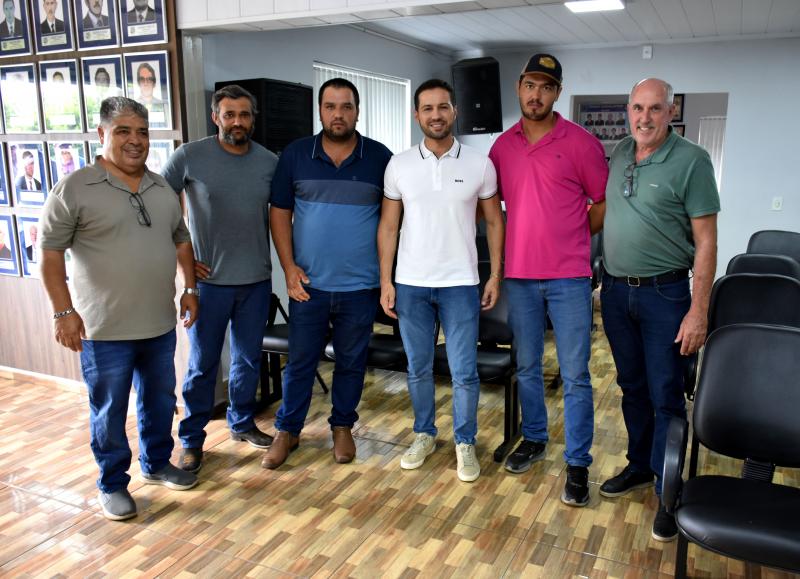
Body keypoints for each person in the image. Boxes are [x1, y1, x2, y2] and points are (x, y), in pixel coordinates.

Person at [38, 96, 200, 522]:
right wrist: (63, 312)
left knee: (160, 400)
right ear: (101, 134)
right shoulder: (75, 188)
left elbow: (181, 239)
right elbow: (49, 254)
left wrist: (190, 287)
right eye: (123, 131)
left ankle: (157, 463)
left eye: (142, 132)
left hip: (159, 324)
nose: (135, 140)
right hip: (103, 329)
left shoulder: (161, 188)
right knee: (109, 411)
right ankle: (112, 484)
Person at [599, 77, 720, 542]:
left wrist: (699, 311)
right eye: (637, 108)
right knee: (631, 387)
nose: (644, 118)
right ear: (628, 111)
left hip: (665, 296)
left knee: (665, 393)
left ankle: (668, 489)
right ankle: (639, 464)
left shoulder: (693, 160)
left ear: (671, 112)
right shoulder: (619, 154)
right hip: (615, 293)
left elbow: (706, 242)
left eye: (654, 108)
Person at [488, 53, 608, 507]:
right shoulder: (502, 147)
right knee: (527, 366)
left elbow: (602, 202)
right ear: (518, 88)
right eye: (529, 85)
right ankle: (535, 438)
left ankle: (577, 464)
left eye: (545, 87)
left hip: (569, 279)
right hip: (519, 277)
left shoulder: (582, 144)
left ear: (557, 92)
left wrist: (573, 233)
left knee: (575, 375)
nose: (535, 95)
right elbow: (491, 207)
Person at [261, 77, 392, 470]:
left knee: (351, 362)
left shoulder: (380, 158)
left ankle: (342, 427)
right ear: (320, 111)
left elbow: (392, 220)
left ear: (357, 111)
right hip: (309, 286)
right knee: (301, 362)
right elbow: (279, 213)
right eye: (331, 106)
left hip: (361, 285)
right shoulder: (296, 155)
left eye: (346, 106)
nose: (339, 114)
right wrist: (288, 268)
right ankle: (288, 430)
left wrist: (386, 277)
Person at [377, 79, 504, 482]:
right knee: (418, 368)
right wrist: (386, 280)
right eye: (428, 108)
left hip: (460, 283)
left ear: (454, 112)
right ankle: (424, 434)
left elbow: (494, 222)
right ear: (416, 114)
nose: (436, 115)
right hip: (411, 283)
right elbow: (388, 226)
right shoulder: (399, 165)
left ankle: (465, 442)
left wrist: (495, 274)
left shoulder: (480, 164)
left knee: (464, 371)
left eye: (443, 107)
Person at [162, 85, 279, 473]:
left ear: (253, 118)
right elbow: (159, 203)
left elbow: (282, 214)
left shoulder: (268, 161)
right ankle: (192, 439)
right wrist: (182, 257)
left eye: (244, 115)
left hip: (256, 280)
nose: (237, 122)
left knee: (247, 360)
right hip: (209, 284)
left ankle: (242, 423)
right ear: (216, 117)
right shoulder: (189, 156)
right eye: (229, 115)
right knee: (203, 364)